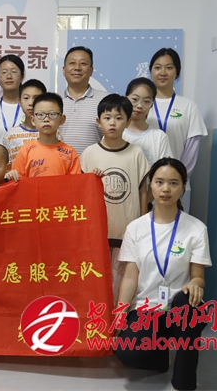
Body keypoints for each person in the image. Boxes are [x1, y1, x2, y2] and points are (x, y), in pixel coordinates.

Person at [115, 157, 212, 391]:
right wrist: (120, 313)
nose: (166, 189)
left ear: (183, 186)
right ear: (151, 184)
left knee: (190, 308)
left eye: (173, 183)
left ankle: (184, 382)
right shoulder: (136, 228)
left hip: (179, 306)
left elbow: (198, 276)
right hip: (146, 307)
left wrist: (195, 283)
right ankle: (160, 355)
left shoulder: (196, 228)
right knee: (128, 353)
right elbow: (130, 276)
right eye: (159, 182)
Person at [81, 94, 150, 302]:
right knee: (97, 279)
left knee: (122, 280)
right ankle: (99, 317)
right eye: (107, 117)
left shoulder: (136, 153)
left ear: (128, 122)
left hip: (127, 231)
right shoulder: (89, 153)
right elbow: (82, 193)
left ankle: (120, 318)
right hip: (97, 231)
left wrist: (143, 225)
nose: (113, 123)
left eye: (119, 118)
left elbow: (143, 192)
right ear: (98, 121)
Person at [146, 48, 207, 212]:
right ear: (151, 71)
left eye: (169, 67)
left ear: (177, 72)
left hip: (175, 185)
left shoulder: (188, 107)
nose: (163, 72)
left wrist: (177, 179)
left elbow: (191, 149)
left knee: (176, 226)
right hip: (144, 184)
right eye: (157, 67)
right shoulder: (140, 105)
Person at [12, 93, 81, 178]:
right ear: (33, 120)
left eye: (52, 114)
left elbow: (76, 182)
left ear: (62, 119)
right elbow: (17, 180)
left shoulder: (70, 153)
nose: (46, 119)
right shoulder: (26, 150)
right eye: (40, 115)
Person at [60, 46, 109, 156]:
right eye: (72, 63)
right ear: (64, 70)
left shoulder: (105, 100)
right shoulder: (52, 101)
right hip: (58, 165)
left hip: (93, 165)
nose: (77, 68)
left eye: (83, 63)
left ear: (91, 70)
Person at [3, 79, 61, 165]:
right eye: (26, 98)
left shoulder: (55, 133)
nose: (31, 103)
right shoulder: (10, 136)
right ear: (20, 102)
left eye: (36, 98)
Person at [123, 78, 173, 165]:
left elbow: (166, 168)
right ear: (125, 99)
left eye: (146, 101)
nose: (139, 106)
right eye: (135, 99)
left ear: (152, 105)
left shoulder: (160, 137)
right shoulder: (115, 133)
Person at [0, 54, 26, 138]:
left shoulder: (29, 107)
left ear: (22, 76)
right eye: (4, 72)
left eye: (14, 72)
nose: (9, 76)